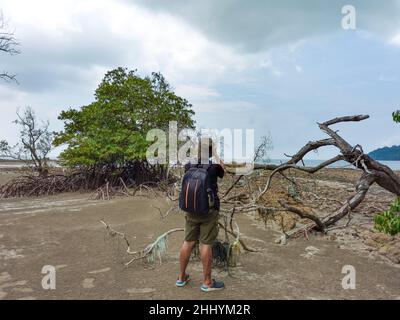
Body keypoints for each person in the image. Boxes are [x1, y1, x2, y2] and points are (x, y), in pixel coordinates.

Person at [176, 138, 225, 292]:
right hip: (208, 212)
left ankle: (181, 278)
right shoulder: (213, 167)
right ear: (210, 150)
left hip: (190, 210)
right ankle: (207, 282)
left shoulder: (189, 165)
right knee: (206, 244)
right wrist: (215, 154)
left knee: (188, 242)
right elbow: (224, 170)